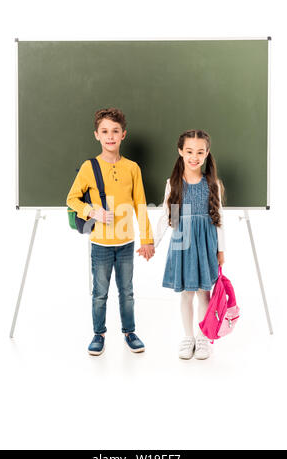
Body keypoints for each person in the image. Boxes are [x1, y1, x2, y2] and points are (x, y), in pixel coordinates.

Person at [66, 108, 155, 356]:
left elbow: (141, 206)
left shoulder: (132, 168)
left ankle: (129, 331)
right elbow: (71, 199)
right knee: (100, 293)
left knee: (127, 291)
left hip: (127, 242)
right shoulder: (89, 167)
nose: (110, 136)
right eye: (105, 131)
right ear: (97, 135)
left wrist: (147, 240)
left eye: (115, 131)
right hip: (100, 244)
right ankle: (98, 334)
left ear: (123, 134)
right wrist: (92, 211)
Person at [154, 129, 225, 360]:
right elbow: (167, 216)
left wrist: (221, 250)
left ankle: (203, 338)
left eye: (200, 152)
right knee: (186, 294)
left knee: (204, 293)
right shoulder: (173, 184)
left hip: (206, 243)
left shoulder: (211, 183)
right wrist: (152, 242)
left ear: (207, 153)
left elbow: (219, 218)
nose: (194, 157)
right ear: (180, 152)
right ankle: (188, 337)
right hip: (182, 243)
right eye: (189, 151)